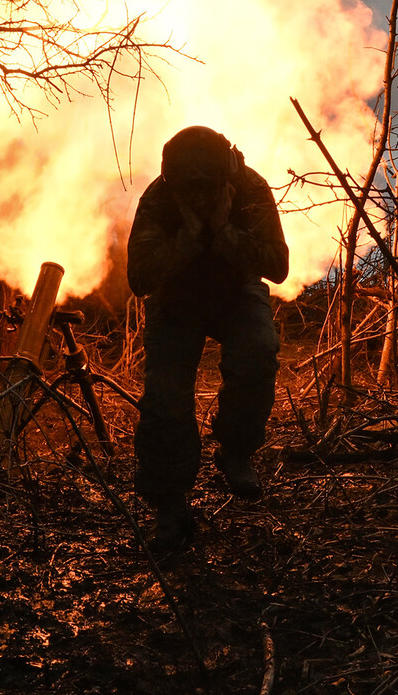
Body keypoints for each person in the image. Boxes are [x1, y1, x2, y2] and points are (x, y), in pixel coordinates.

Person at [127, 125, 289, 551]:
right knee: (164, 395)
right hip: (176, 299)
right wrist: (187, 238)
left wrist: (221, 232)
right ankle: (170, 502)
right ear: (172, 179)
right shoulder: (159, 198)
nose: (198, 193)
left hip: (236, 292)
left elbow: (277, 265)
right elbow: (139, 278)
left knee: (257, 352)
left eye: (206, 186)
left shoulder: (249, 187)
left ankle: (235, 449)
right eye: (189, 187)